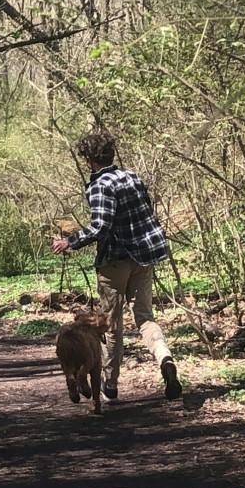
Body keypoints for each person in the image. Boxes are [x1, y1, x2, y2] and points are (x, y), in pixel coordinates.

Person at [51, 129, 182, 402]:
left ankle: (110, 384)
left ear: (89, 159)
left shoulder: (100, 185)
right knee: (145, 318)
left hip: (115, 262)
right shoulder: (132, 176)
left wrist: (69, 242)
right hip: (143, 257)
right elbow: (145, 213)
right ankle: (165, 359)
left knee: (111, 324)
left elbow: (101, 226)